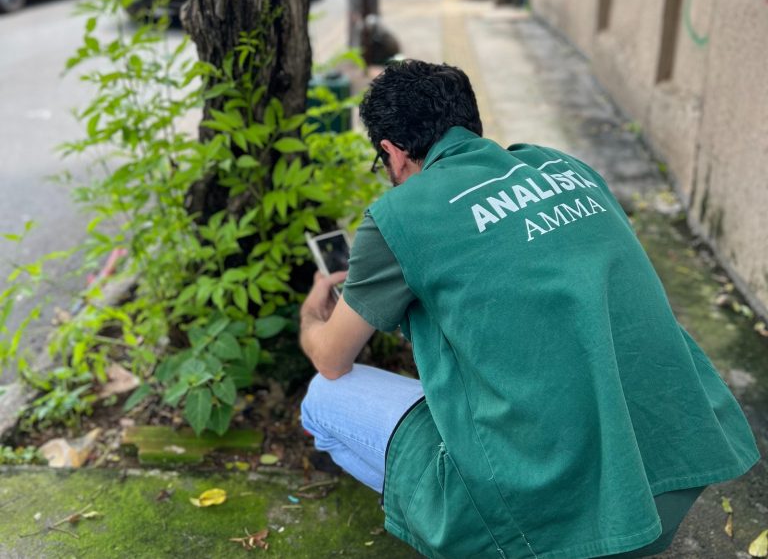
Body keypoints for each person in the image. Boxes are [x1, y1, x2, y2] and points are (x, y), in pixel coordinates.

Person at [298, 60, 759, 559]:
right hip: (665, 490)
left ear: (392, 152)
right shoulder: (565, 166)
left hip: (543, 515)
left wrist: (311, 316)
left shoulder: (398, 216)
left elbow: (331, 359)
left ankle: (481, 540)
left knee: (322, 400)